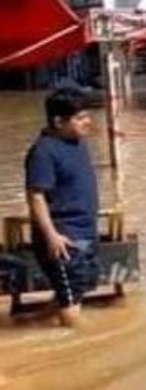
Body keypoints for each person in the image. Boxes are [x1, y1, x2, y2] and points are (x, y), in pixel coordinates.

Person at [25, 88, 101, 327]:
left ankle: (35, 323)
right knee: (71, 303)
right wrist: (51, 236)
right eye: (79, 118)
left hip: (85, 230)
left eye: (87, 115)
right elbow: (36, 197)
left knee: (77, 288)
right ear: (58, 121)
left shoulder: (77, 142)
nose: (87, 122)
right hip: (63, 238)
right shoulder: (44, 152)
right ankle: (74, 348)